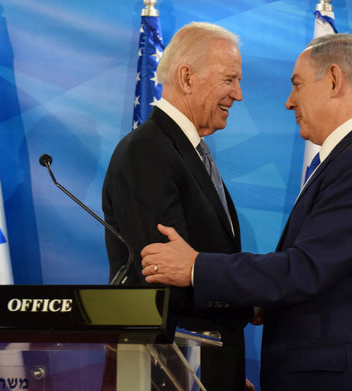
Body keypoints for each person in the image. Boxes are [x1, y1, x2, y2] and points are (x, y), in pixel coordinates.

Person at [140, 33, 352, 391]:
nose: (289, 102)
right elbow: (329, 273)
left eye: (296, 85)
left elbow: (306, 268)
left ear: (334, 80)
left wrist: (195, 267)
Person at [102, 22, 253, 391]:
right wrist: (252, 296)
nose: (239, 94)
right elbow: (165, 279)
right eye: (230, 79)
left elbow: (198, 262)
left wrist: (226, 370)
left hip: (201, 368)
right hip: (172, 376)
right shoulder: (149, 151)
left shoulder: (186, 151)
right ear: (186, 77)